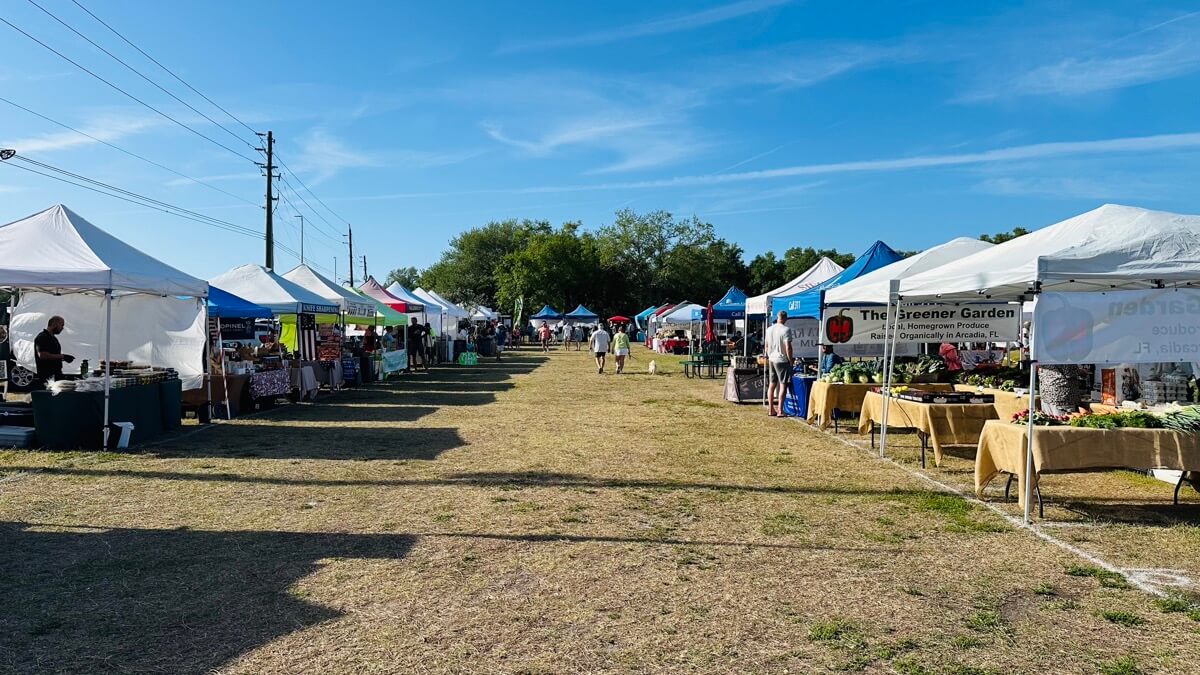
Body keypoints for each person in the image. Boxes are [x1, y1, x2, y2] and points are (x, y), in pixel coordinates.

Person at [764, 311, 793, 417]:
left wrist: (770, 355)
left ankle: (771, 409)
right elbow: (788, 347)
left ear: (777, 317)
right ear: (785, 318)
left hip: (772, 359)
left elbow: (766, 346)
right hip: (782, 359)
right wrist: (791, 360)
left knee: (772, 384)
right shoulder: (786, 330)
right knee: (783, 385)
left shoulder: (769, 330)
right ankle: (780, 410)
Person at [35, 315, 75, 384]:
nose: (62, 328)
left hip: (56, 375)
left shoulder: (53, 338)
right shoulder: (42, 337)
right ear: (54, 324)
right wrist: (62, 356)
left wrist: (64, 358)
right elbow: (42, 355)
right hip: (47, 377)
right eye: (61, 325)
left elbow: (53, 355)